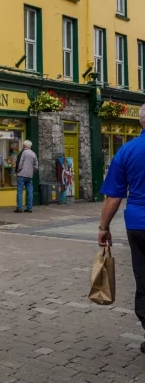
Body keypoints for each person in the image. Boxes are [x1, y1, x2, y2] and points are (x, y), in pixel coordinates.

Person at [98, 105, 145, 353]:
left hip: (139, 225)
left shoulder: (127, 150)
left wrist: (103, 227)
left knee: (143, 278)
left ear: (140, 123)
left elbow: (113, 197)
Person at [14, 140, 39, 213]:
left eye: (23, 145)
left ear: (24, 146)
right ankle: (29, 208)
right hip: (29, 175)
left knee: (19, 191)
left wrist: (17, 171)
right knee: (29, 191)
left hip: (21, 174)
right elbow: (36, 166)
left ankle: (19, 208)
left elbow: (20, 164)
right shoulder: (33, 154)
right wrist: (32, 171)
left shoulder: (23, 153)